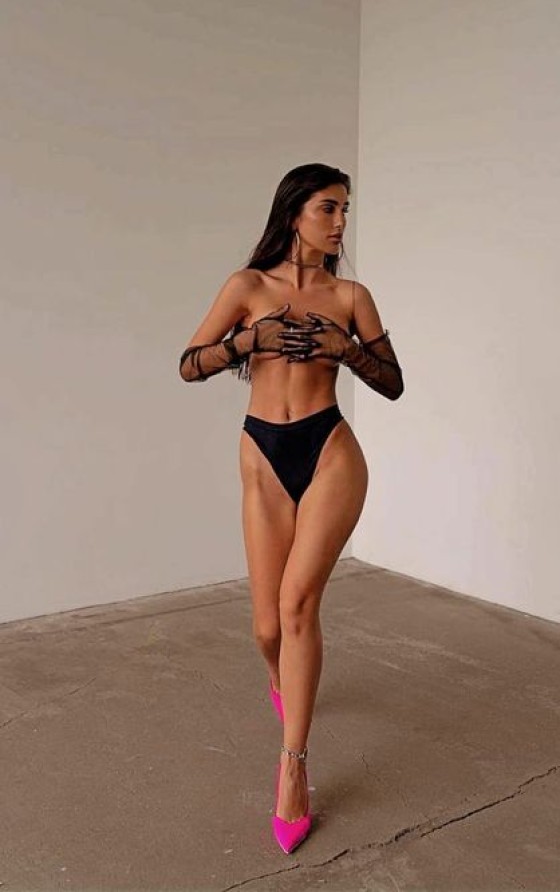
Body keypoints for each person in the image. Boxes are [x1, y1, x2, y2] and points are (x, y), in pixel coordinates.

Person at [179, 163, 403, 854]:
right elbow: (189, 364)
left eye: (345, 210)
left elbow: (393, 382)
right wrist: (247, 342)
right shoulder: (247, 287)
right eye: (329, 208)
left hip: (329, 449)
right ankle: (279, 674)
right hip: (263, 456)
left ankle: (293, 766)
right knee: (267, 625)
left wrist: (347, 350)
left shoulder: (351, 296)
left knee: (299, 605)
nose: (341, 223)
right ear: (295, 212)